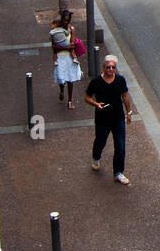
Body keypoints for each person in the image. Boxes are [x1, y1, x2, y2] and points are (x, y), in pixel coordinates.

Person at [85, 54, 134, 184]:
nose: (111, 69)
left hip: (118, 118)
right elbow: (87, 97)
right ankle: (96, 157)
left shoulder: (120, 80)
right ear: (104, 67)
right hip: (102, 119)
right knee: (100, 141)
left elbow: (125, 96)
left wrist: (128, 112)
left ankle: (118, 172)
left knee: (120, 146)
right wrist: (95, 104)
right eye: (108, 67)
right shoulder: (96, 82)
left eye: (113, 67)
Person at [49, 10, 81, 108]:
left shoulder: (71, 29)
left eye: (67, 20)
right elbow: (54, 46)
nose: (65, 22)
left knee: (70, 79)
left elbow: (72, 44)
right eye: (64, 20)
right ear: (61, 19)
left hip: (69, 57)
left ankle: (70, 101)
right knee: (61, 79)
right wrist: (65, 47)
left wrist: (69, 48)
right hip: (60, 57)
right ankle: (62, 90)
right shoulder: (56, 31)